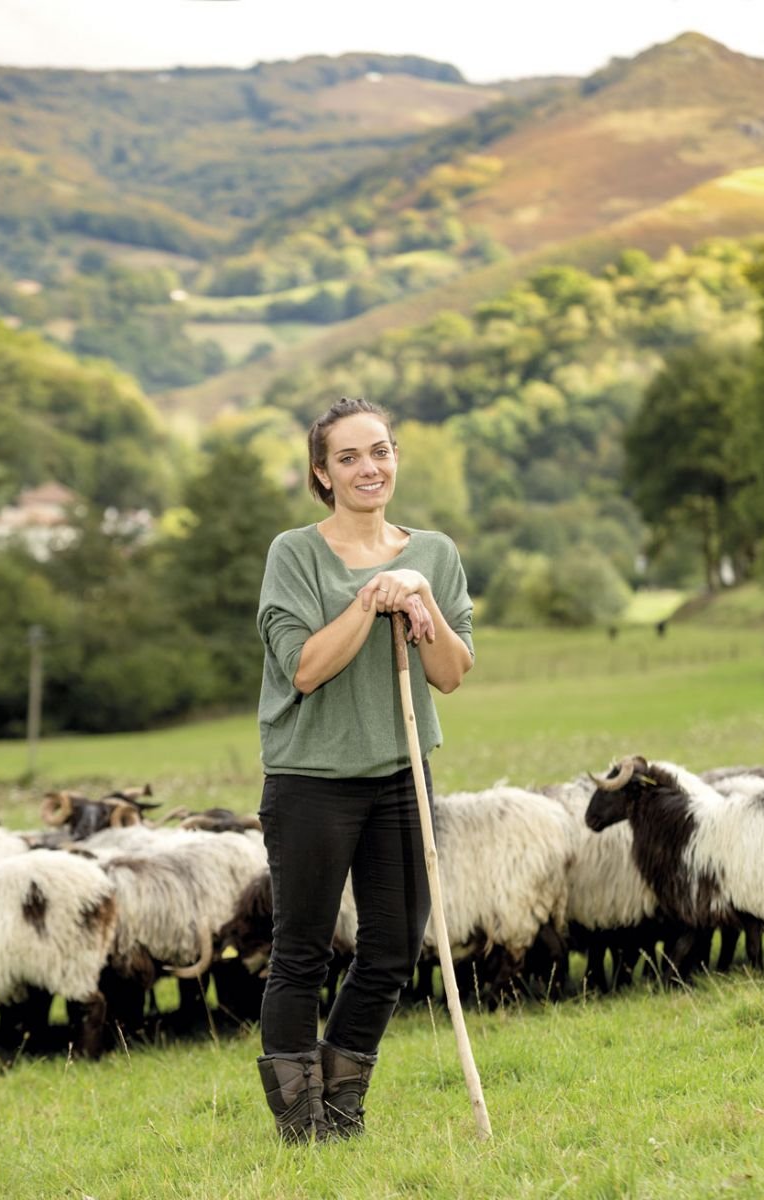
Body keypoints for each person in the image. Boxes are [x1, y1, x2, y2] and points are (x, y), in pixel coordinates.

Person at [254, 396, 474, 1143]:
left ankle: (341, 1107)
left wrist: (419, 598)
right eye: (347, 457)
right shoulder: (293, 553)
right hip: (311, 779)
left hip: (400, 775)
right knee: (302, 951)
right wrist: (369, 600)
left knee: (392, 946)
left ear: (395, 458)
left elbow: (450, 672)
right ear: (323, 472)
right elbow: (306, 669)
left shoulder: (435, 553)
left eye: (378, 451)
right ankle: (300, 1123)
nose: (367, 467)